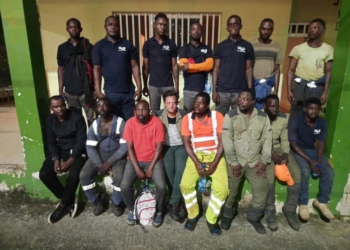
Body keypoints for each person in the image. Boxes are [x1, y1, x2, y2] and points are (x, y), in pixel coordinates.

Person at [221, 89, 272, 234]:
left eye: (245, 99)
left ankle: (254, 217)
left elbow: (267, 140)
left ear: (253, 102)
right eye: (240, 98)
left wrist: (264, 160)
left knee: (262, 191)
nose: (240, 101)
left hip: (255, 161)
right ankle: (227, 215)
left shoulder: (263, 117)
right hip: (236, 161)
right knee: (231, 191)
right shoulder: (231, 116)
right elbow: (227, 141)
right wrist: (233, 162)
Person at [180, 92, 229, 236]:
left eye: (200, 103)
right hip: (196, 155)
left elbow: (222, 142)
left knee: (222, 189)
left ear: (207, 105)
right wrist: (196, 162)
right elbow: (186, 143)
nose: (196, 105)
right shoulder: (187, 119)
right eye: (196, 102)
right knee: (185, 185)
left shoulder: (217, 117)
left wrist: (214, 163)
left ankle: (211, 218)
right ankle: (193, 214)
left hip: (215, 155)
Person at [39, 96, 87, 223]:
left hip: (77, 151)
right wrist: (56, 159)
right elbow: (51, 141)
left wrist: (70, 160)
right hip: (60, 151)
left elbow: (81, 141)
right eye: (56, 107)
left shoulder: (77, 118)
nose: (60, 109)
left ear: (65, 104)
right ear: (51, 108)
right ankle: (68, 198)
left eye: (62, 105)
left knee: (74, 175)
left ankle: (62, 206)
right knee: (44, 174)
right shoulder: (49, 120)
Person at [120, 100, 167, 227]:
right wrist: (137, 168)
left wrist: (150, 168)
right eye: (138, 110)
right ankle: (132, 209)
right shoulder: (130, 123)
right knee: (124, 187)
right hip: (135, 159)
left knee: (162, 187)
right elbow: (129, 148)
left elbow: (159, 148)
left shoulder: (157, 123)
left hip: (154, 160)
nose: (141, 112)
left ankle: (159, 211)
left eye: (144, 109)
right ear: (135, 111)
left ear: (149, 110)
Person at [288, 97, 334, 221]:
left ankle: (322, 202)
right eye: (311, 108)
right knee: (304, 171)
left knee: (328, 171)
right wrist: (310, 161)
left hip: (313, 150)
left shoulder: (322, 123)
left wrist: (319, 162)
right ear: (305, 109)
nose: (313, 111)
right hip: (297, 151)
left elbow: (321, 143)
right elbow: (293, 144)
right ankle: (303, 204)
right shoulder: (295, 121)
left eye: (317, 109)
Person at [80, 98, 127, 217]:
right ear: (96, 108)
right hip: (99, 156)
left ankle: (116, 202)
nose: (102, 108)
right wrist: (100, 163)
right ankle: (97, 200)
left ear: (109, 107)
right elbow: (90, 147)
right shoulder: (95, 125)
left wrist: (109, 162)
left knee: (120, 177)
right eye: (99, 106)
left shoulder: (120, 123)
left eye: (105, 105)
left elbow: (124, 147)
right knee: (84, 175)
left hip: (117, 156)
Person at [93, 16, 142, 121]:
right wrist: (97, 90)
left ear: (119, 27)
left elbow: (134, 66)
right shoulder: (99, 46)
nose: (113, 27)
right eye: (110, 25)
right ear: (105, 27)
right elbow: (96, 69)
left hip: (128, 92)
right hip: (111, 92)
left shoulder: (127, 44)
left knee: (130, 121)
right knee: (114, 121)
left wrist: (139, 86)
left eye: (116, 25)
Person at [264, 94, 301, 231]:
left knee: (296, 173)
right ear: (265, 106)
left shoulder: (284, 118)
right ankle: (269, 209)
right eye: (271, 106)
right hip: (264, 151)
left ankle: (290, 209)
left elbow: (285, 139)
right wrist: (272, 156)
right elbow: (258, 141)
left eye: (276, 106)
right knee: (269, 175)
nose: (274, 109)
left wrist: (285, 154)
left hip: (279, 149)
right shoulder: (259, 118)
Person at [287, 18, 333, 118]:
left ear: (323, 30)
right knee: (295, 115)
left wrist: (325, 92)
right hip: (299, 85)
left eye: (315, 28)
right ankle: (294, 133)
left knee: (311, 116)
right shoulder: (298, 48)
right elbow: (291, 70)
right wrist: (289, 90)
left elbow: (329, 71)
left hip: (316, 87)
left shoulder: (328, 49)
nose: (311, 30)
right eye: (309, 28)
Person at [156, 90, 188, 221]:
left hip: (181, 146)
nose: (171, 106)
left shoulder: (185, 115)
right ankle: (177, 202)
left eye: (174, 103)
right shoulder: (158, 115)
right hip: (166, 146)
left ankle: (173, 202)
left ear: (177, 103)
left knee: (180, 168)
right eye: (168, 103)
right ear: (164, 103)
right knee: (168, 169)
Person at [213, 15, 254, 115]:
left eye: (236, 24)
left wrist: (250, 91)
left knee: (239, 120)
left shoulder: (247, 46)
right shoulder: (221, 46)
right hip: (222, 91)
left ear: (241, 26)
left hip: (240, 91)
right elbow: (216, 69)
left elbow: (249, 69)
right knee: (221, 121)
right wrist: (214, 90)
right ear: (227, 28)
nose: (233, 26)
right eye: (230, 24)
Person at [57, 18, 95, 125]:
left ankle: (92, 141)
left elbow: (96, 68)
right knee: (75, 121)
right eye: (71, 27)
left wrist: (96, 89)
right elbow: (61, 69)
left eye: (76, 27)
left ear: (80, 29)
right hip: (70, 93)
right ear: (67, 29)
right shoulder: (62, 48)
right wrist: (61, 89)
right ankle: (79, 141)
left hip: (88, 92)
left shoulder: (88, 47)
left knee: (92, 120)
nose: (73, 29)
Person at [142, 13, 179, 114]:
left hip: (168, 85)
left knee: (171, 111)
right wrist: (145, 85)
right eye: (160, 24)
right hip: (153, 85)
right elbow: (145, 67)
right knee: (155, 112)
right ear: (154, 25)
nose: (162, 27)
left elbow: (175, 66)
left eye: (165, 25)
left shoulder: (171, 44)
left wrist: (176, 86)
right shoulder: (148, 44)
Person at [179, 22, 214, 112]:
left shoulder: (207, 48)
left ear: (202, 32)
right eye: (193, 29)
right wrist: (203, 66)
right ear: (189, 32)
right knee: (188, 116)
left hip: (204, 89)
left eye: (198, 29)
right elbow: (184, 66)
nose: (196, 31)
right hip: (189, 90)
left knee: (203, 115)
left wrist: (190, 67)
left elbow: (209, 65)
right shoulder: (184, 49)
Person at [251, 18, 282, 110]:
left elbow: (277, 69)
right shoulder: (251, 45)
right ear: (259, 29)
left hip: (268, 85)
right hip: (254, 83)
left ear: (272, 30)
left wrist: (276, 90)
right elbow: (247, 67)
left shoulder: (277, 46)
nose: (266, 31)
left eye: (269, 29)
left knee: (264, 112)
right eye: (264, 29)